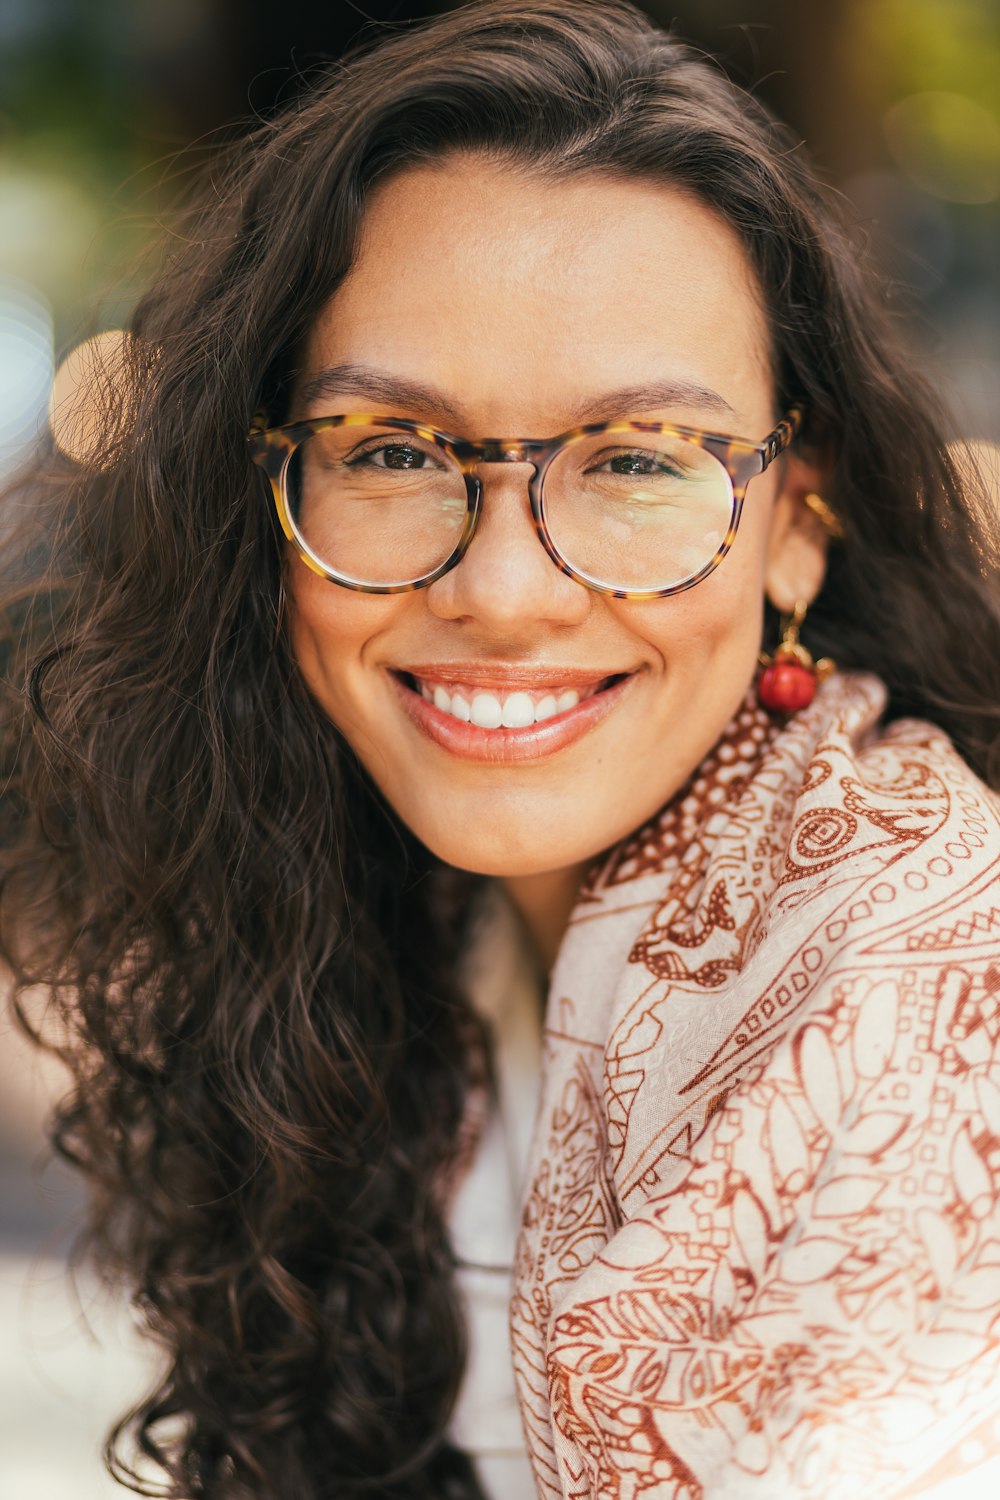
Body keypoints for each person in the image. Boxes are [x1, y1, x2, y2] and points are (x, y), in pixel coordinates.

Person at [2, 2, 1000, 1497]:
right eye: (394, 451)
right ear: (266, 497)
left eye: (637, 463)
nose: (505, 592)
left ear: (795, 519)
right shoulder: (379, 934)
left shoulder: (921, 987)